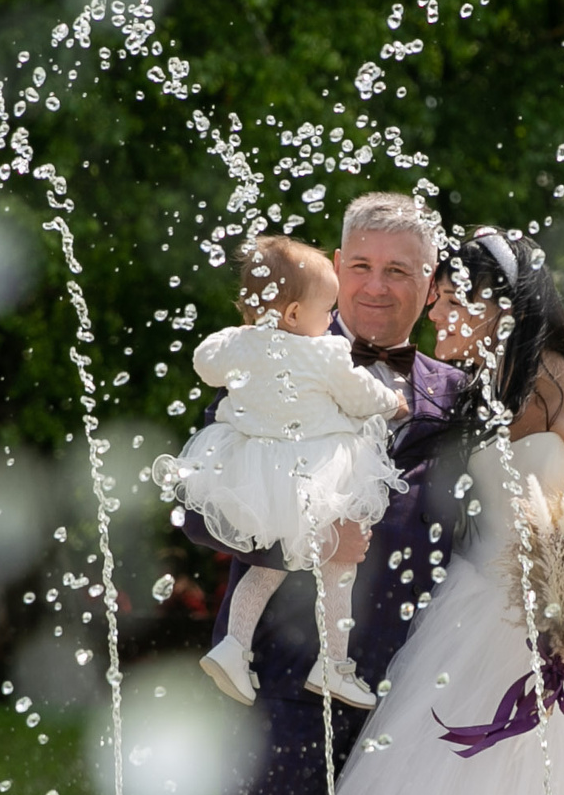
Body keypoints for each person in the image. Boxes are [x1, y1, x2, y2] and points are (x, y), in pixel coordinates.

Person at [312, 227, 564, 795]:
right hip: (458, 628)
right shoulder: (478, 394)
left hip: (560, 646)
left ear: (503, 308)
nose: (436, 311)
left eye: (453, 300)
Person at [178, 192, 470, 795]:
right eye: (361, 265)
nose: (375, 285)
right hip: (279, 693)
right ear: (336, 268)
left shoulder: (458, 400)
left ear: (430, 286)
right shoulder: (264, 357)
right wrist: (303, 538)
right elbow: (202, 512)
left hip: (412, 700)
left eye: (399, 270)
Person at [161, 235, 406, 711]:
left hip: (255, 476)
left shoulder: (238, 345)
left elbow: (204, 363)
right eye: (326, 309)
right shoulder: (325, 352)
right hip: (320, 476)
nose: (331, 319)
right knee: (340, 567)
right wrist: (392, 402)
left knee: (264, 567)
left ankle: (234, 646)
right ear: (294, 315)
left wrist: (244, 334)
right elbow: (360, 398)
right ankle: (334, 665)